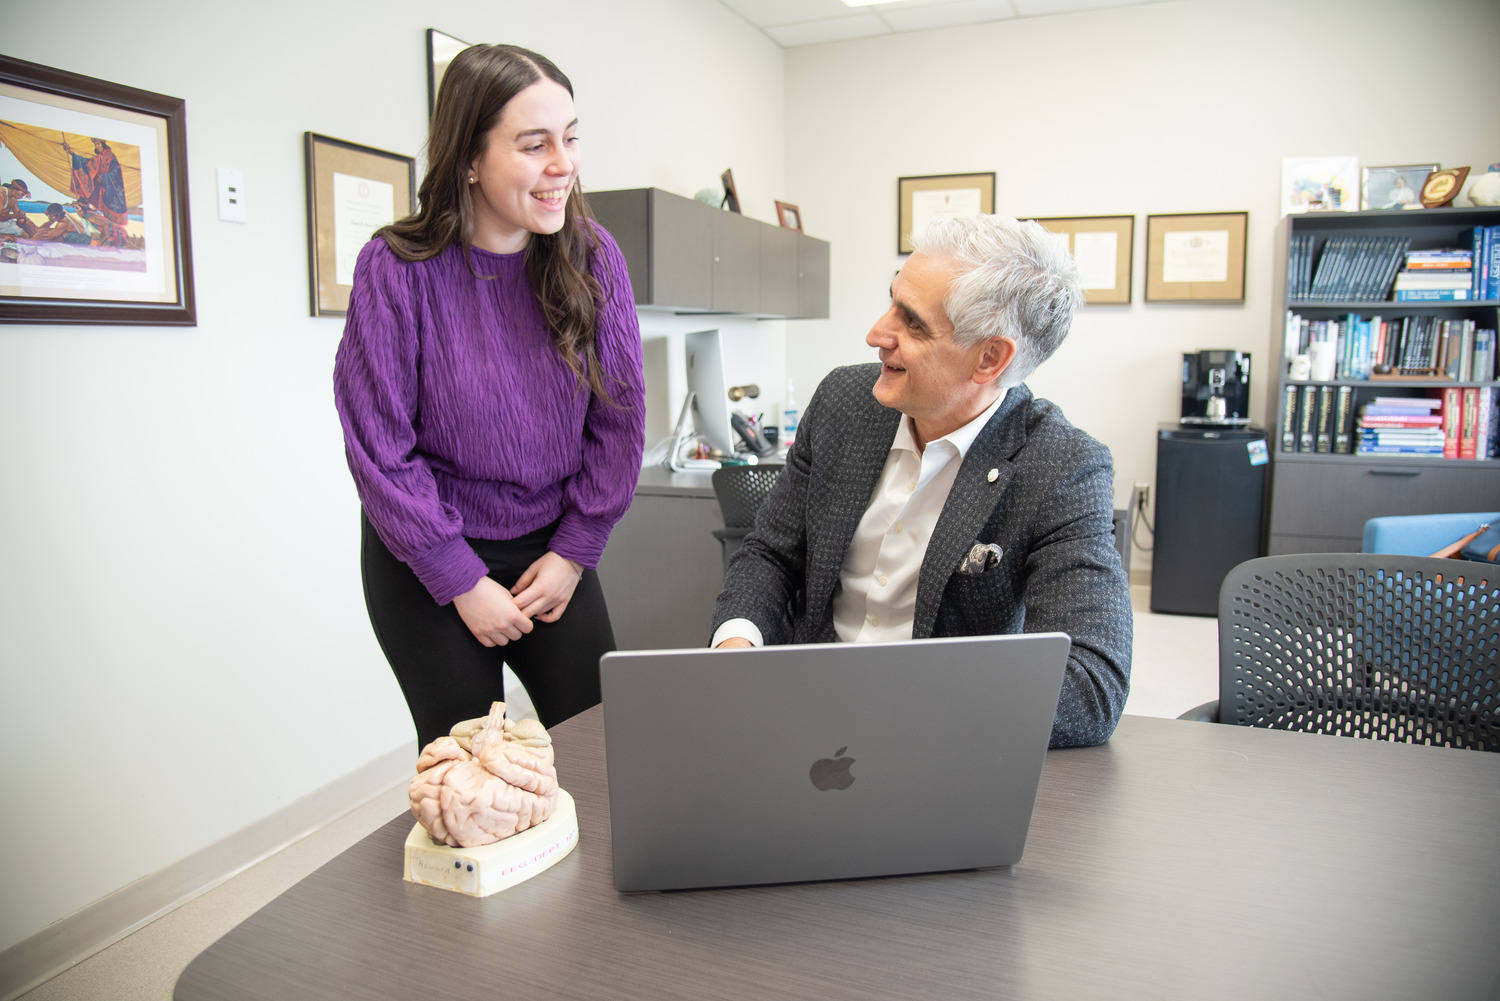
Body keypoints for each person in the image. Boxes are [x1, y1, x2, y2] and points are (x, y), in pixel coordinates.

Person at [711, 215, 1130, 748]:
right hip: (797, 716)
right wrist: (736, 646)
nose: (876, 334)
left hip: (933, 745)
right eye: (892, 301)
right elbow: (771, 554)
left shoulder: (1062, 467)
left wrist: (895, 711)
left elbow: (1092, 686)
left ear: (990, 357)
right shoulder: (843, 402)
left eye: (912, 324)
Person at [333, 43, 646, 748]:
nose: (562, 164)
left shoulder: (593, 257)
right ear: (470, 158)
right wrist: (457, 576)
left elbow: (619, 421)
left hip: (553, 549)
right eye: (534, 145)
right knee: (470, 771)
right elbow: (379, 444)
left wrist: (574, 551)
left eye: (569, 139)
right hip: (428, 551)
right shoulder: (396, 267)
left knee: (608, 753)